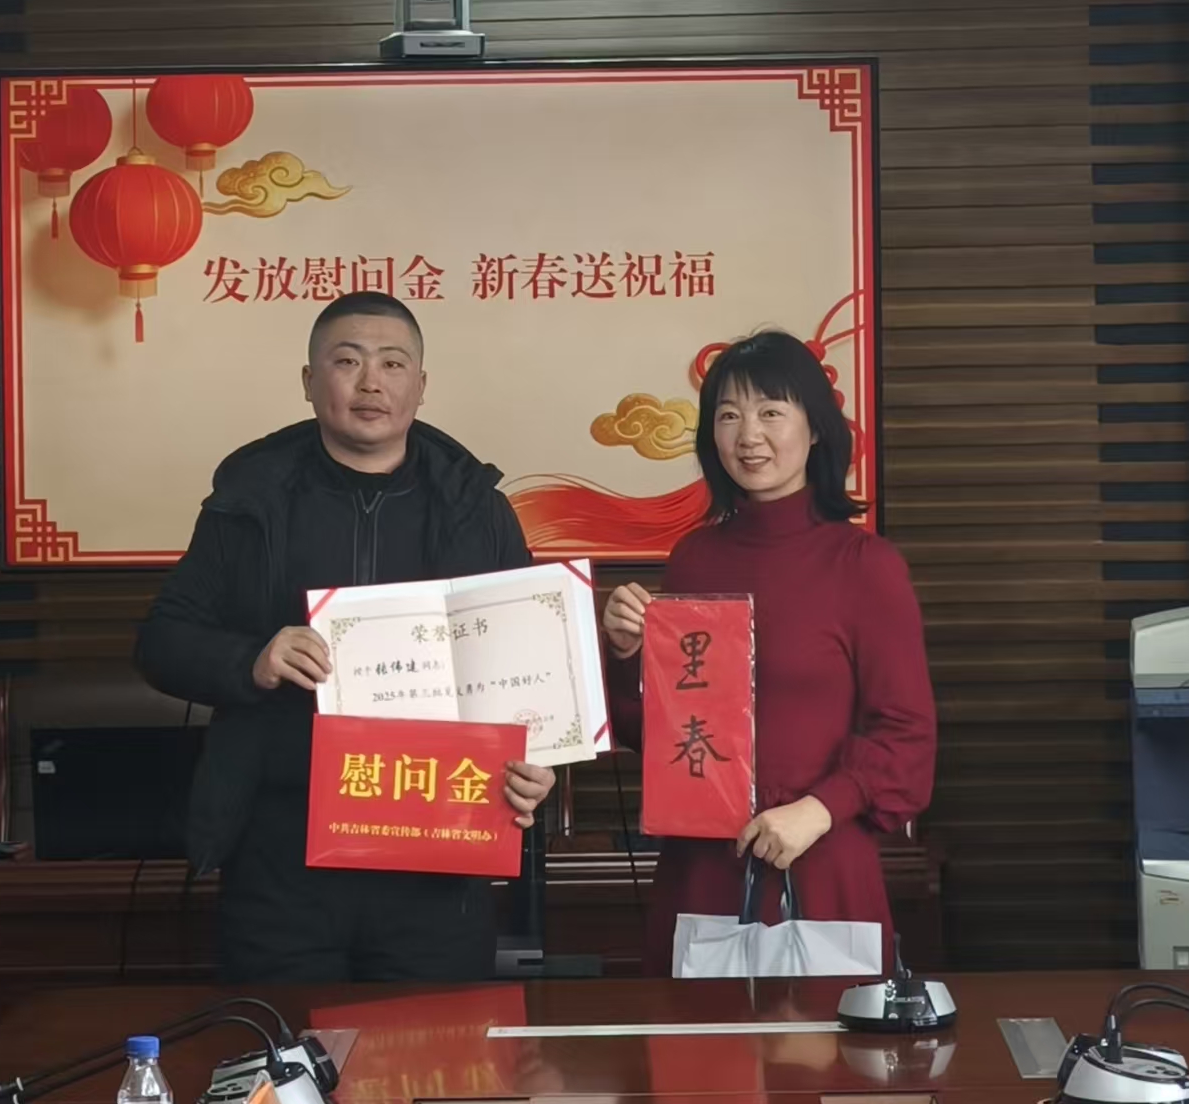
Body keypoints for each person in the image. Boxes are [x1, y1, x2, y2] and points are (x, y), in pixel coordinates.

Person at [135, 291, 556, 982]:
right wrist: (253, 659)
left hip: (437, 852)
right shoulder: (249, 502)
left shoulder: (476, 510)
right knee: (282, 1044)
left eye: (392, 363)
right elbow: (161, 640)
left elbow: (528, 672)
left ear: (421, 384)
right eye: (347, 361)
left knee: (431, 1045)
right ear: (309, 381)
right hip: (281, 850)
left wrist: (536, 763)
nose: (370, 383)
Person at [601, 329, 936, 976]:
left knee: (829, 1040)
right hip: (703, 865)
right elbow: (664, 735)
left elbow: (907, 733)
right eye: (728, 415)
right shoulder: (695, 558)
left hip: (819, 857)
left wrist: (817, 810)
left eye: (770, 412)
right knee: (695, 1040)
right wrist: (624, 654)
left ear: (815, 430)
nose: (748, 434)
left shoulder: (864, 564)